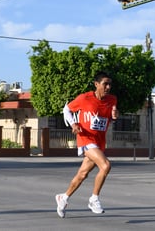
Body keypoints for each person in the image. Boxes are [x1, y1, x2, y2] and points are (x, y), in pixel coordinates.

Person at [55, 71, 119, 218]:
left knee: (82, 174)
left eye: (110, 84)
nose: (108, 87)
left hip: (99, 141)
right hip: (86, 139)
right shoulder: (85, 98)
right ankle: (94, 199)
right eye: (105, 84)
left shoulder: (112, 99)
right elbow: (67, 109)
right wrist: (73, 124)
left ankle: (63, 197)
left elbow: (113, 115)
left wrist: (115, 115)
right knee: (105, 165)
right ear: (96, 84)